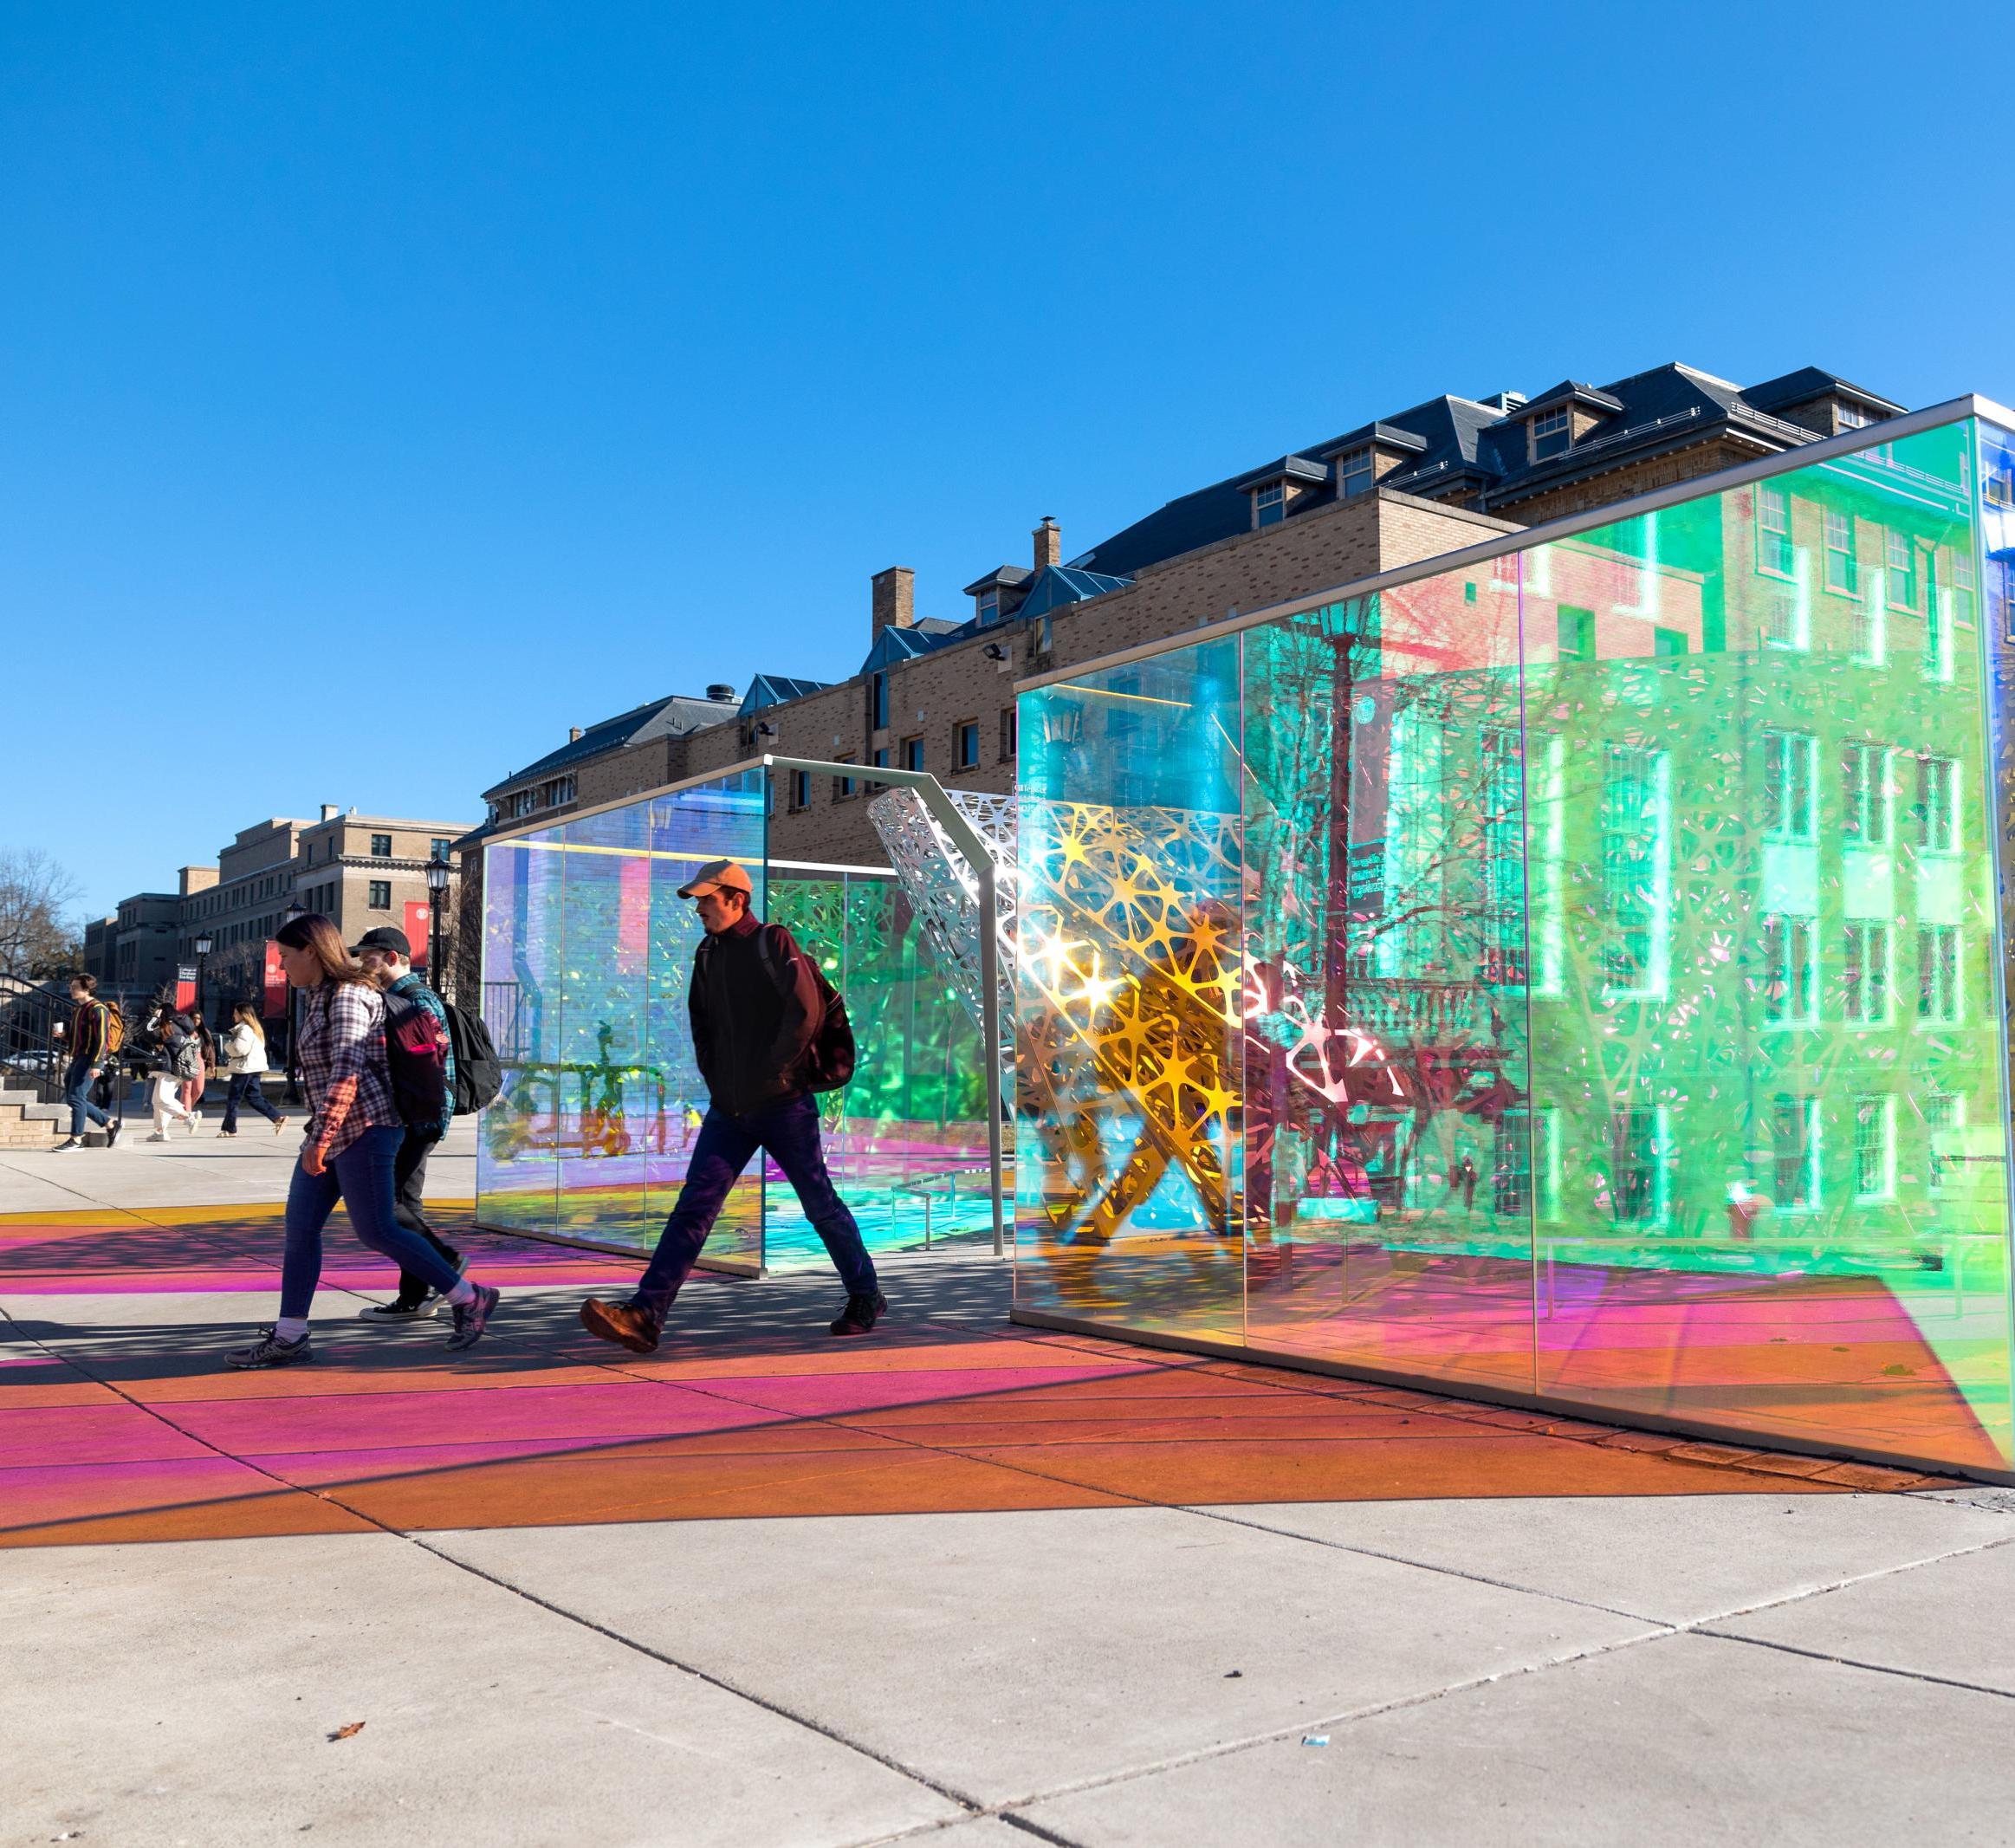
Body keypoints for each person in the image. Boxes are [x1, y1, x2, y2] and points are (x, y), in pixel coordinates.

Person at [578, 859, 884, 1353]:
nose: (699, 908)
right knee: (693, 1207)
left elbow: (804, 1013)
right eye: (697, 900)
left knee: (819, 1205)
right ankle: (644, 1315)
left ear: (735, 899)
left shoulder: (773, 943)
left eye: (706, 899)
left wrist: (777, 1073)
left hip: (785, 1104)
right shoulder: (707, 953)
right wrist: (717, 1079)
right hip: (731, 1108)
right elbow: (703, 1023)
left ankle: (865, 1296)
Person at [227, 912, 499, 1368]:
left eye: (286, 956)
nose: (282, 966)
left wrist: (320, 1138)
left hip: (368, 1128)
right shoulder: (319, 996)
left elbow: (347, 1072)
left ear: (312, 951)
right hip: (334, 1129)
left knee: (377, 1228)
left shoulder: (350, 995)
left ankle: (469, 1297)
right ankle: (291, 1334)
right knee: (300, 1230)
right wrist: (320, 1134)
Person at [350, 925, 463, 1320]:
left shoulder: (413, 999)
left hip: (417, 1118)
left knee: (393, 1206)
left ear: (393, 958)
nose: (364, 965)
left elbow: (428, 1064)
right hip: (415, 1116)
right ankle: (419, 1291)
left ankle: (435, 1273)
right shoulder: (399, 997)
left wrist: (424, 1119)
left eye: (369, 957)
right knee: (401, 1204)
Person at [51, 974, 120, 1152]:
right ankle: (110, 1124)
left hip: (90, 1058)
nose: (71, 989)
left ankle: (76, 1139)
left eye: (75, 987)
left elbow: (102, 1039)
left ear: (87, 989)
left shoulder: (98, 1009)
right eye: (71, 986)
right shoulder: (79, 1009)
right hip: (78, 1057)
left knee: (75, 1097)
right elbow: (78, 1038)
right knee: (73, 1097)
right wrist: (64, 1035)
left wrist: (97, 1064)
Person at [218, 1002, 288, 1137]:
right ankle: (278, 1118)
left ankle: (230, 1129)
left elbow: (238, 1049)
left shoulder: (245, 1029)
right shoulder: (256, 1029)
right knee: (254, 1097)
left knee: (233, 1099)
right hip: (254, 1068)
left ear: (242, 1014)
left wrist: (227, 1046)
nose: (233, 1015)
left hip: (244, 1069)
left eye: (235, 1013)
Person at [147, 1012, 202, 1140]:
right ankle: (160, 1132)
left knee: (160, 1100)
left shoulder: (170, 1027)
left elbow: (147, 1033)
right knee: (159, 1102)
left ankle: (189, 1117)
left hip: (169, 1069)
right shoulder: (181, 1029)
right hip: (176, 1069)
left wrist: (154, 1018)